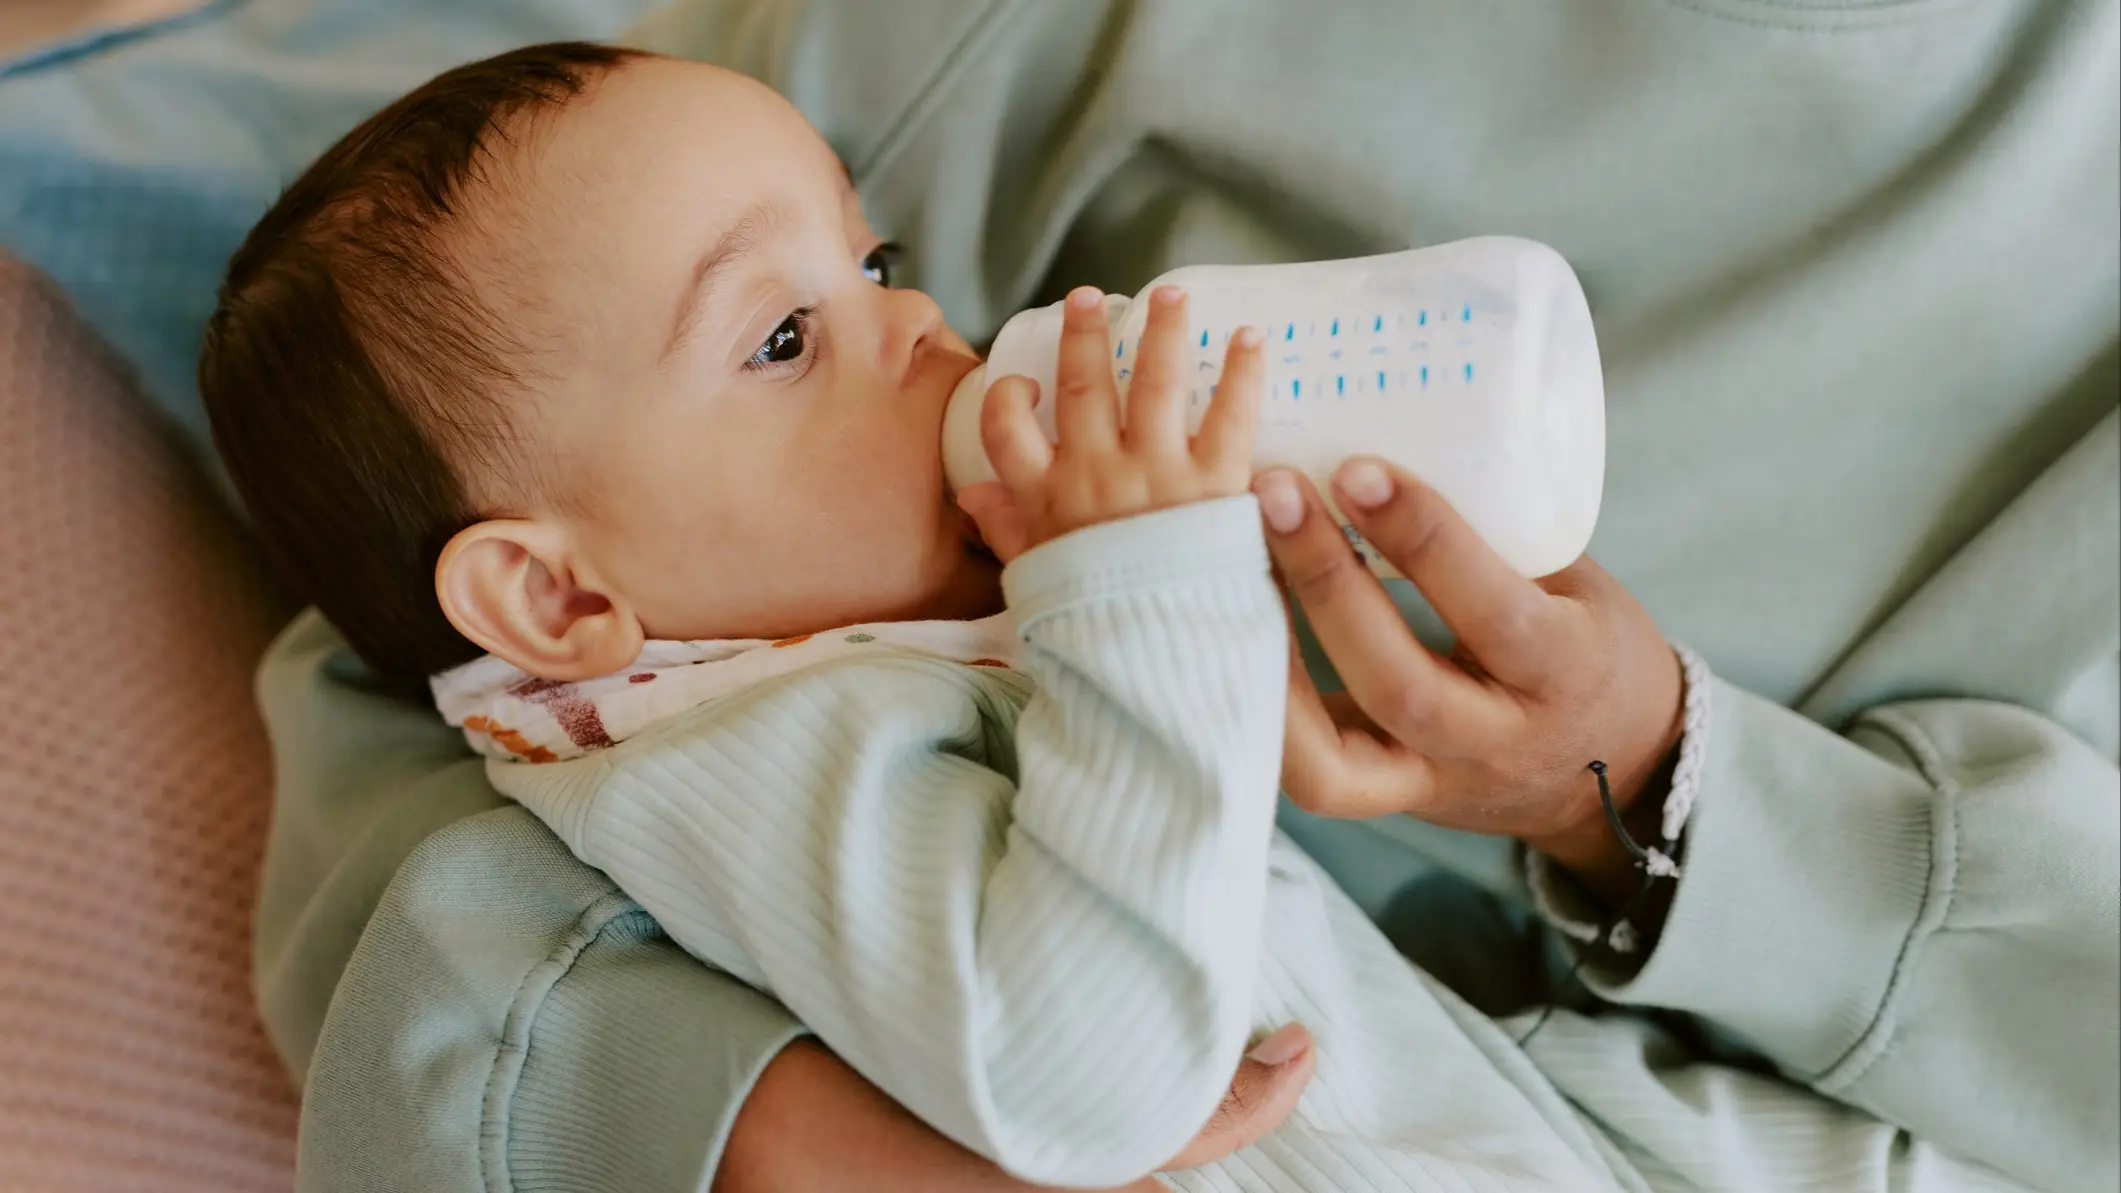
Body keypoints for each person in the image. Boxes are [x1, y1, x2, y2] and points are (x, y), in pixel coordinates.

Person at [242, 2, 2119, 1191]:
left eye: (877, 260)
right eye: (798, 329)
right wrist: (715, 1122)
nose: (925, 325)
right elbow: (406, 666)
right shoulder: (752, 731)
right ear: (558, 608)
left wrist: (1655, 778)